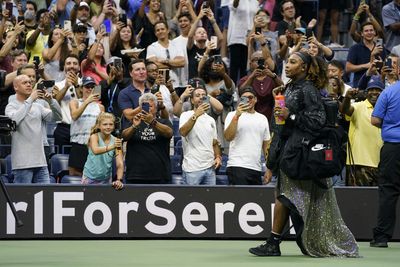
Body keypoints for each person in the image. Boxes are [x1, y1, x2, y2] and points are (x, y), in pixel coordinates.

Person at [249, 52, 359, 257]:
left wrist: (289, 115)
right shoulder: (290, 87)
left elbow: (317, 121)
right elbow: (281, 123)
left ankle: (274, 243)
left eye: (293, 62)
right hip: (289, 150)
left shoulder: (308, 89)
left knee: (283, 197)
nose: (287, 65)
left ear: (304, 68)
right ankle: (274, 242)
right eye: (287, 61)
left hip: (300, 153)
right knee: (283, 196)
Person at [5, 75, 60, 183]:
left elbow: (58, 117)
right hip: (22, 164)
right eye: (24, 83)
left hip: (41, 162)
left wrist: (51, 101)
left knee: (45, 197)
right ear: (16, 87)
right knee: (23, 197)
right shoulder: (11, 106)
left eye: (30, 82)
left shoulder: (38, 107)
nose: (29, 84)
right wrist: (31, 99)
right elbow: (14, 121)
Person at [370, 77, 400, 248]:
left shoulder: (389, 91)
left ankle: (382, 237)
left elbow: (375, 120)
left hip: (393, 148)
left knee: (388, 191)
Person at [121, 93, 173, 184]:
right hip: (135, 174)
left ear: (156, 108)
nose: (148, 108)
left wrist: (153, 122)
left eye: (151, 106)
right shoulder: (134, 121)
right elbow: (124, 137)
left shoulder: (164, 121)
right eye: (145, 106)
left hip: (160, 174)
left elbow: (169, 133)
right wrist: (134, 126)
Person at [341, 77, 384, 186]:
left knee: (378, 202)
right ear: (366, 92)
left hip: (382, 165)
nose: (374, 92)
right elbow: (344, 110)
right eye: (371, 89)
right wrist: (347, 97)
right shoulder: (358, 106)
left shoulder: (388, 110)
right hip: (359, 164)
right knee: (357, 201)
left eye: (378, 90)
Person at [224, 86, 271, 185]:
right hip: (237, 165)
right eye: (244, 98)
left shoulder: (262, 118)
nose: (248, 100)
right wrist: (237, 116)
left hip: (256, 168)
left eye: (250, 97)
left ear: (255, 99)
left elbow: (266, 146)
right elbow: (228, 137)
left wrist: (268, 168)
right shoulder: (232, 115)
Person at [179, 83, 222, 185]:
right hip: (192, 169)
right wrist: (196, 115)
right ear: (192, 100)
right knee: (190, 200)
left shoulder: (211, 120)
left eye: (204, 95)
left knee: (210, 200)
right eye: (197, 95)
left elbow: (214, 142)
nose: (201, 97)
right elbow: (183, 132)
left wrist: (218, 156)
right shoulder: (186, 115)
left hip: (210, 168)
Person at [68, 76, 104, 176]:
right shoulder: (74, 102)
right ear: (81, 88)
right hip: (78, 144)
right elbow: (74, 116)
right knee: (74, 174)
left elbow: (101, 127)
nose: (90, 89)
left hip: (93, 145)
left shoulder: (100, 107)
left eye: (92, 86)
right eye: (87, 86)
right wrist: (87, 101)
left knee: (94, 175)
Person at [82, 112, 124, 190]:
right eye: (105, 124)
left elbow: (120, 163)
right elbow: (95, 150)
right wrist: (113, 146)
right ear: (99, 126)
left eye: (111, 124)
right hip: (89, 177)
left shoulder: (116, 140)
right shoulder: (94, 137)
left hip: (106, 179)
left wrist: (119, 180)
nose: (108, 127)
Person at [238, 51, 283, 120]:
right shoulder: (245, 79)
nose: (259, 62)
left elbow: (283, 89)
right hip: (250, 118)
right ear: (250, 64)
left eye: (262, 59)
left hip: (272, 117)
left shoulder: (273, 78)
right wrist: (252, 77)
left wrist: (273, 76)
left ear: (266, 63)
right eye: (256, 60)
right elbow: (241, 94)